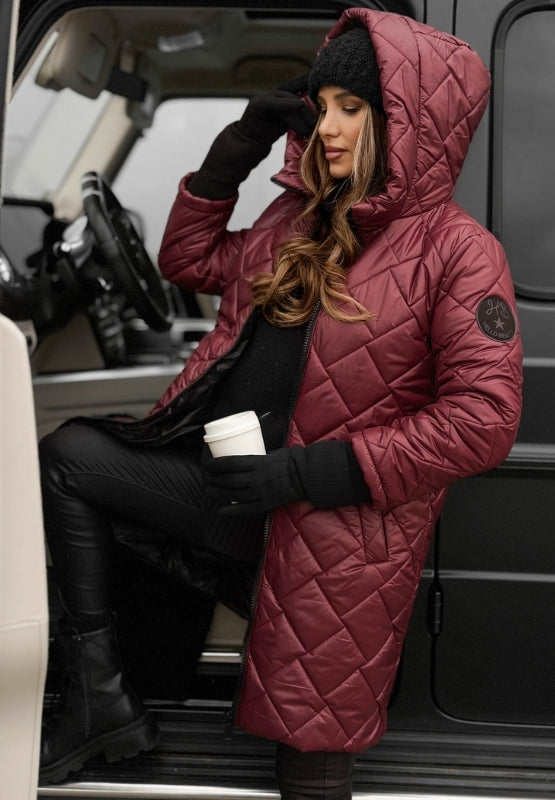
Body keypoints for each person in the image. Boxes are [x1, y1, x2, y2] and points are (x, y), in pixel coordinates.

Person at [38, 7, 523, 798]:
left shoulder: (457, 250)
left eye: (350, 108)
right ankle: (101, 700)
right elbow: (189, 260)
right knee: (69, 457)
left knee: (310, 757)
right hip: (240, 499)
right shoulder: (296, 216)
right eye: (321, 106)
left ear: (404, 121)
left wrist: (305, 474)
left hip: (334, 529)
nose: (327, 127)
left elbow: (482, 420)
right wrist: (239, 146)